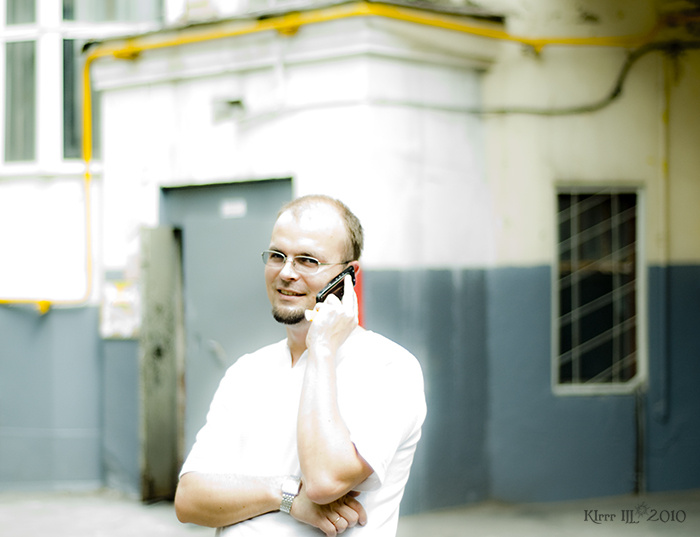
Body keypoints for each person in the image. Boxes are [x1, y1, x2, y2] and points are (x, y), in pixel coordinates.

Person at [175, 195, 426, 536]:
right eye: (277, 256)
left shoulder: (390, 368)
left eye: (308, 260)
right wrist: (286, 496)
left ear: (349, 275)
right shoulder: (246, 372)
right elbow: (189, 500)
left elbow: (324, 481)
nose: (286, 273)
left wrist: (321, 348)